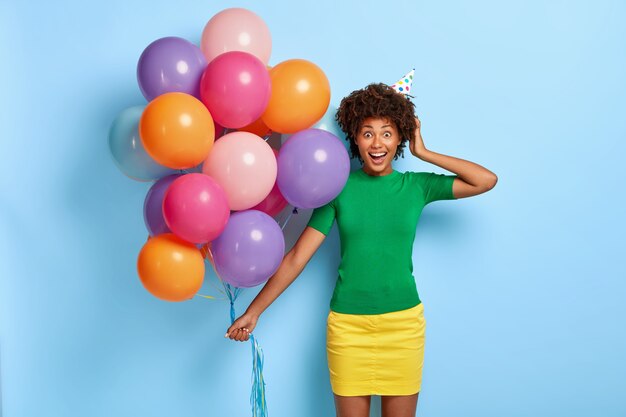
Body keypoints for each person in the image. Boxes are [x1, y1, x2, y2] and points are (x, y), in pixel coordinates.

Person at [225, 83, 497, 417]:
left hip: (402, 326)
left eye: (387, 133)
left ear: (400, 139)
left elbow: (485, 180)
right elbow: (297, 257)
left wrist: (424, 153)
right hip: (348, 328)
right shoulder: (338, 189)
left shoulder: (417, 187)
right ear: (355, 138)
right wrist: (254, 311)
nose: (377, 143)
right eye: (368, 133)